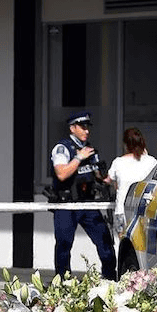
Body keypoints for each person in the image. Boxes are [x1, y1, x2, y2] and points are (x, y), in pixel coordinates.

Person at [49, 111, 117, 280]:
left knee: (105, 241)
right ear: (73, 128)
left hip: (87, 203)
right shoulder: (62, 148)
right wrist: (79, 158)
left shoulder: (90, 151)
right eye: (83, 127)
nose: (87, 131)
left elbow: (100, 178)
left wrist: (107, 176)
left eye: (88, 127)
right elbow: (61, 174)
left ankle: (109, 280)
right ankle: (63, 284)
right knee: (64, 245)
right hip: (67, 205)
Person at [106, 128, 157, 237]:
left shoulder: (118, 162)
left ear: (125, 145)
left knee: (123, 246)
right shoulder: (152, 162)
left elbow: (109, 181)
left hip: (122, 211)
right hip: (145, 211)